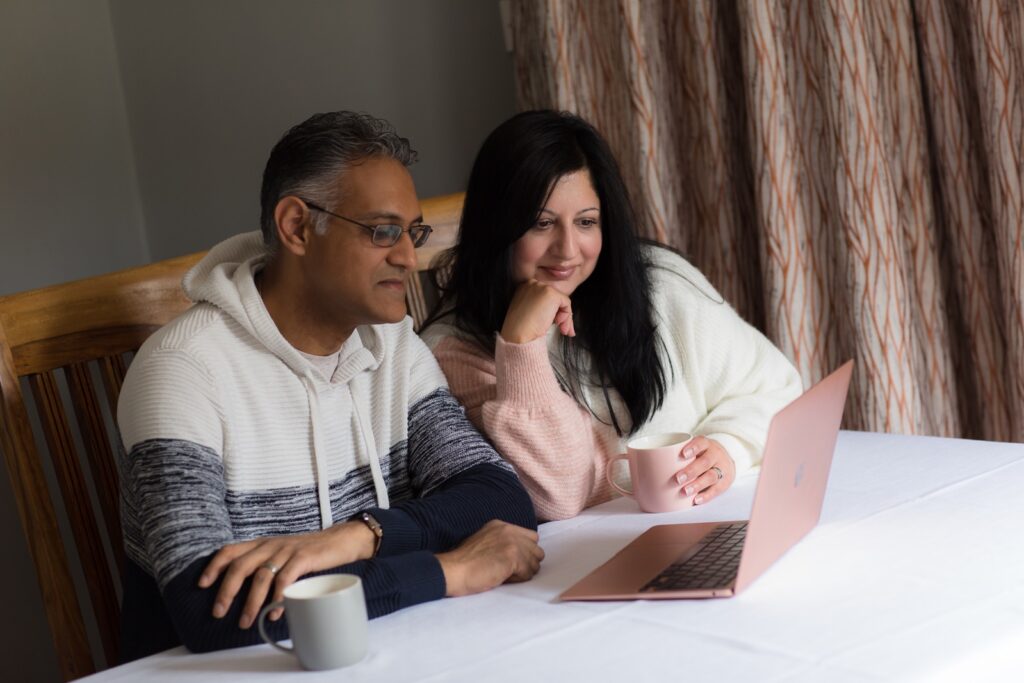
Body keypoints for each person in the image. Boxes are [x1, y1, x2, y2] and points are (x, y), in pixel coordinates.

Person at [117, 111, 543, 660]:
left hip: (388, 649)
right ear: (297, 226)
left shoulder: (392, 346)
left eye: (411, 232)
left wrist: (361, 535)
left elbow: (500, 498)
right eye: (382, 231)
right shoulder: (181, 370)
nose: (410, 258)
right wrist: (448, 570)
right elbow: (210, 615)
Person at [420, 110, 803, 522]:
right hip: (583, 561)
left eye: (586, 222)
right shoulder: (453, 350)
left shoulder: (659, 282)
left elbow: (777, 387)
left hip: (707, 525)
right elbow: (559, 496)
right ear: (497, 229)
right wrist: (521, 345)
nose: (568, 249)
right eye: (541, 223)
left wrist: (730, 447)